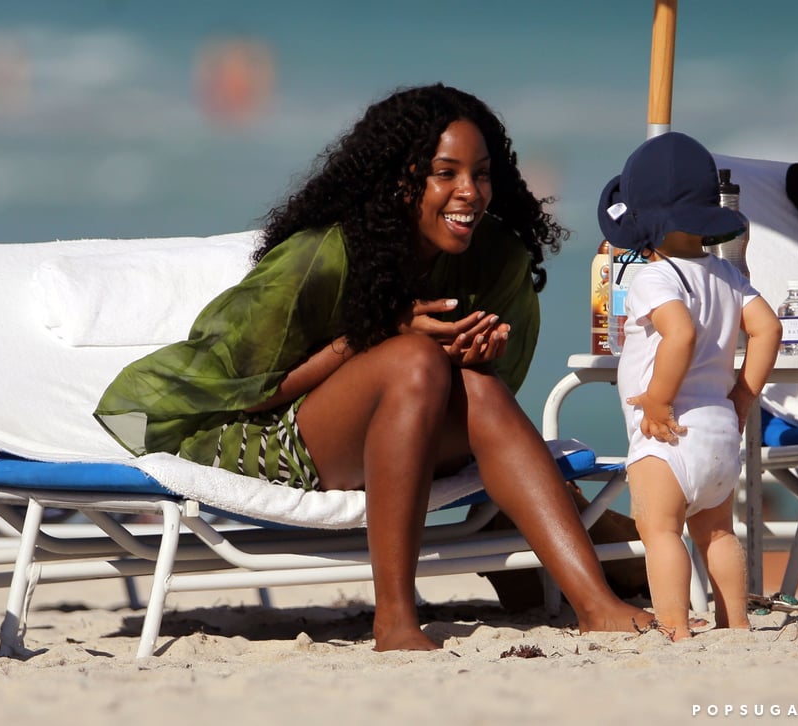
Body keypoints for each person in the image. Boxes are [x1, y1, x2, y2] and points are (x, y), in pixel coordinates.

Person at [95, 83, 654, 651]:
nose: (469, 192)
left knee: (474, 387)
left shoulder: (496, 260)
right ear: (401, 178)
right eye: (445, 173)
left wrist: (471, 361)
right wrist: (374, 339)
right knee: (413, 359)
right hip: (269, 436)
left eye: (481, 174)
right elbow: (244, 392)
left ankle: (597, 605)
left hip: (403, 436)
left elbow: (489, 405)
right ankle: (395, 620)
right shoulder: (324, 256)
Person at [598, 132, 783, 641]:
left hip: (668, 433)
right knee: (717, 532)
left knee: (660, 533)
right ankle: (736, 622)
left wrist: (657, 397)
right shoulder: (727, 273)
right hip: (721, 430)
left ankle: (676, 628)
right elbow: (769, 329)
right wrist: (744, 395)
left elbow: (679, 333)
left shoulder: (654, 277)